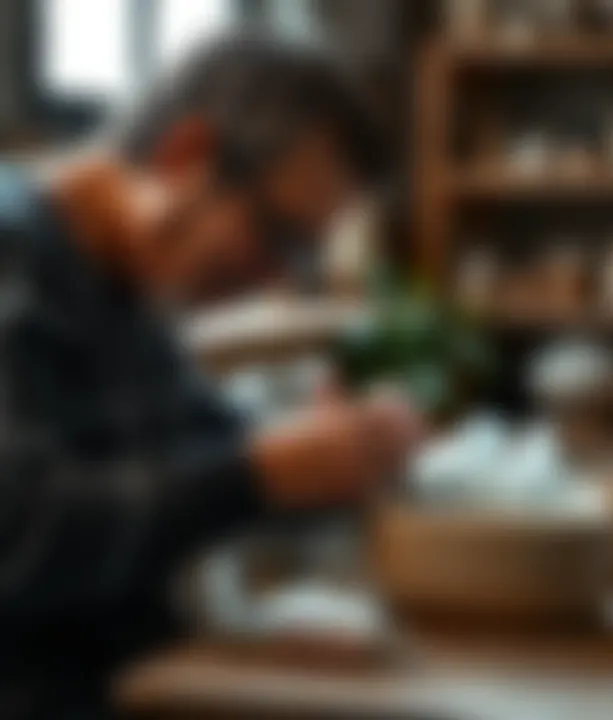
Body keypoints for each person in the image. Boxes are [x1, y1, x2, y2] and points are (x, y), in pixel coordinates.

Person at [0, 32, 420, 719]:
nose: (281, 278)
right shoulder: (14, 252)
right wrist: (263, 473)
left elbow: (218, 451)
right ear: (185, 155)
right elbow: (14, 533)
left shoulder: (131, 292)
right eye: (280, 236)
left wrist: (344, 451)